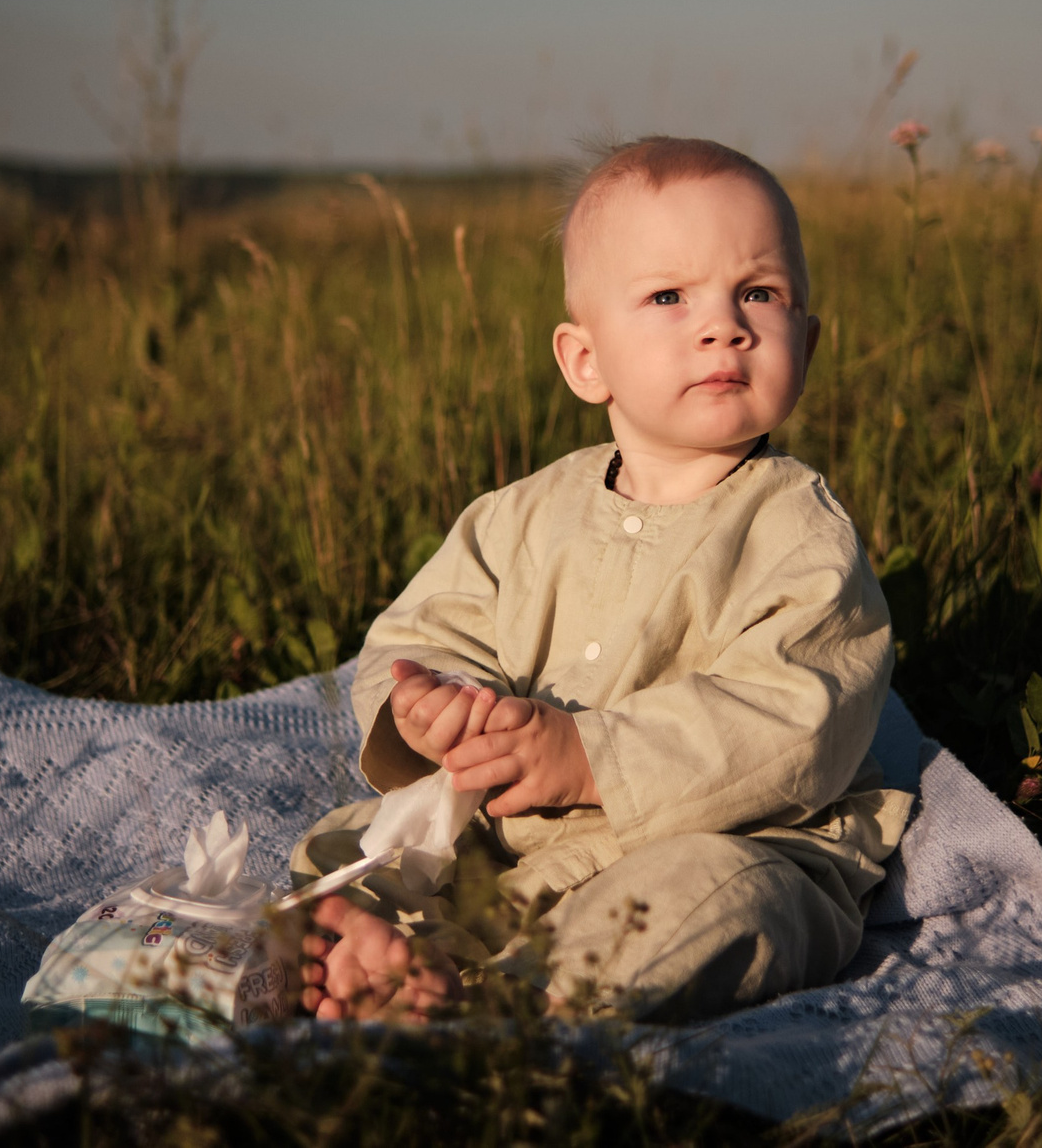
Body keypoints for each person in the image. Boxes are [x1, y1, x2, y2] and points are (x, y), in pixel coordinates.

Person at [292, 136, 913, 1023]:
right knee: (351, 840)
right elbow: (422, 631)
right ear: (586, 360)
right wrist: (433, 709)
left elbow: (795, 715)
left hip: (723, 835)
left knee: (725, 900)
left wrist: (589, 757)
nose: (725, 323)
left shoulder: (798, 531)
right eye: (669, 295)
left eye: (760, 293)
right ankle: (370, 954)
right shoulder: (521, 514)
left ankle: (503, 1010)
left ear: (805, 343)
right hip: (512, 843)